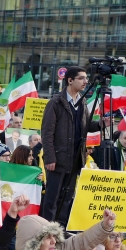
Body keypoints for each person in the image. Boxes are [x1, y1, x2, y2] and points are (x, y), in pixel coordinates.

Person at [40, 66, 100, 224]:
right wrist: (50, 158)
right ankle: (46, 232)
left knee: (66, 198)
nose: (85, 82)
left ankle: (60, 231)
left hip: (74, 160)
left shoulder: (82, 101)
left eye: (86, 78)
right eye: (81, 78)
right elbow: (47, 132)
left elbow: (86, 126)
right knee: (52, 199)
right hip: (58, 159)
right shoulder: (56, 102)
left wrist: (102, 124)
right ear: (70, 80)